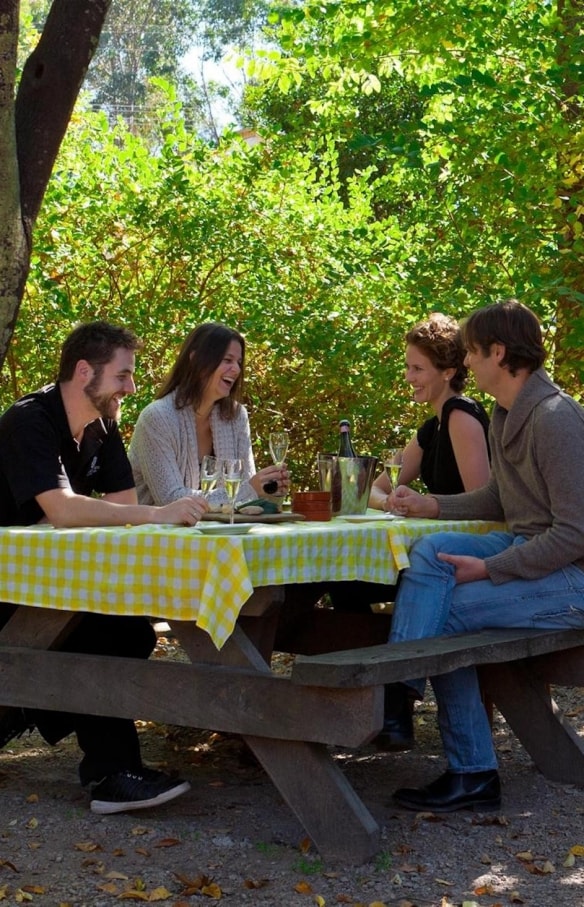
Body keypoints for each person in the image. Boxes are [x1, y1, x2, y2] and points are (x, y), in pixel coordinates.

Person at [0, 321, 209, 815]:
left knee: (132, 632)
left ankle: (34, 706)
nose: (131, 387)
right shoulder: (28, 420)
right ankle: (111, 774)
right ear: (83, 371)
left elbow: (121, 507)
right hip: (8, 587)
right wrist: (159, 513)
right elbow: (64, 510)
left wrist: (155, 517)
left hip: (50, 582)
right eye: (123, 375)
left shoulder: (103, 426)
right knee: (94, 631)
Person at [387, 299, 584, 813]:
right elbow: (500, 499)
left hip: (573, 578)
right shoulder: (505, 413)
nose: (467, 363)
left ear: (499, 352)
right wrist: (429, 506)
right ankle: (398, 695)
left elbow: (575, 534)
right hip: (528, 551)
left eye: (473, 352)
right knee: (428, 551)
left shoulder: (557, 417)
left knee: (445, 616)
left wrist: (491, 569)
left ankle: (472, 771)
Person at [326, 313, 492, 751]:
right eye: (408, 367)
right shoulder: (432, 425)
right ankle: (380, 706)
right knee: (348, 583)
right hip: (431, 551)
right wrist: (397, 500)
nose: (409, 377)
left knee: (355, 584)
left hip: (465, 559)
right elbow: (374, 488)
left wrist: (428, 507)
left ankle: (393, 705)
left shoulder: (461, 416)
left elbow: (484, 504)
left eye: (417, 368)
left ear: (449, 372)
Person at [128, 322, 289, 509]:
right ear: (196, 360)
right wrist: (249, 489)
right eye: (227, 360)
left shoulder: (237, 417)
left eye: (238, 362)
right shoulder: (157, 418)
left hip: (219, 534)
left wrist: (271, 490)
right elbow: (170, 499)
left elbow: (246, 502)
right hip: (156, 535)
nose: (236, 370)